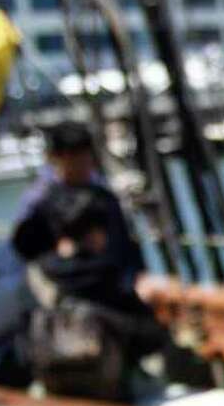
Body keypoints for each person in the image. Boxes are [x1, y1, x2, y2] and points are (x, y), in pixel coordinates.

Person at [17, 182, 166, 400]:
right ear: (96, 231)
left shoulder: (38, 272)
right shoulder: (106, 275)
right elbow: (148, 337)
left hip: (52, 385)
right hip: (106, 387)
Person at [9, 124, 140, 294]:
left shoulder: (103, 195)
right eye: (75, 158)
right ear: (55, 158)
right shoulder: (39, 200)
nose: (82, 165)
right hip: (65, 286)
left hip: (112, 278)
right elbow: (28, 252)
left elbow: (123, 246)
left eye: (86, 157)